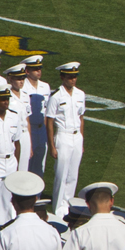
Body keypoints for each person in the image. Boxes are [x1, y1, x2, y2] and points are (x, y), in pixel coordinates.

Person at [45, 62, 86, 208]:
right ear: (62, 77)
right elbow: (49, 121)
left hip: (76, 137)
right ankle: (58, 209)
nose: (73, 80)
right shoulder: (56, 96)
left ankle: (68, 207)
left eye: (75, 77)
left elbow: (81, 117)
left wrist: (81, 140)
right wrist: (52, 146)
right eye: (70, 77)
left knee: (73, 175)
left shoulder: (80, 94)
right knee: (61, 175)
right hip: (62, 136)